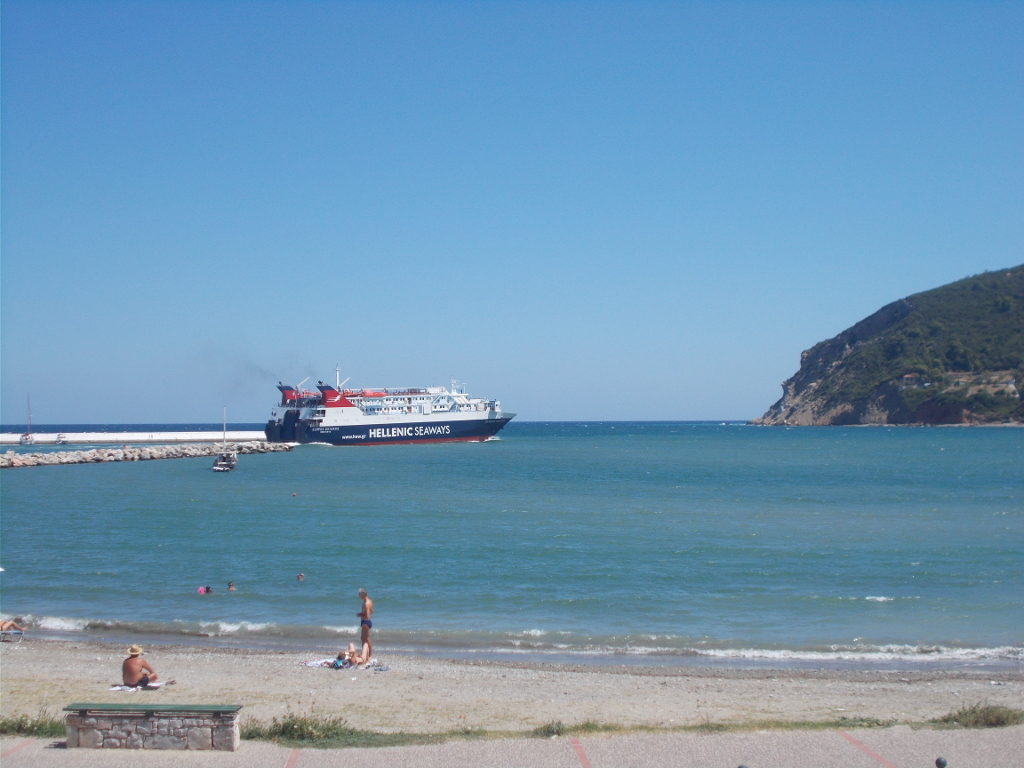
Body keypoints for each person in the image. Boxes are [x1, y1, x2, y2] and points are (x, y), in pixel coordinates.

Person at [357, 588, 373, 659]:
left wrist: (359, 614)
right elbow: (372, 611)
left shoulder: (366, 603)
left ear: (363, 594)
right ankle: (368, 654)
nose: (359, 596)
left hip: (365, 622)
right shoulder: (369, 601)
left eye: (359, 594)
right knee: (366, 639)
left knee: (364, 639)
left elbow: (366, 615)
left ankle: (366, 655)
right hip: (367, 621)